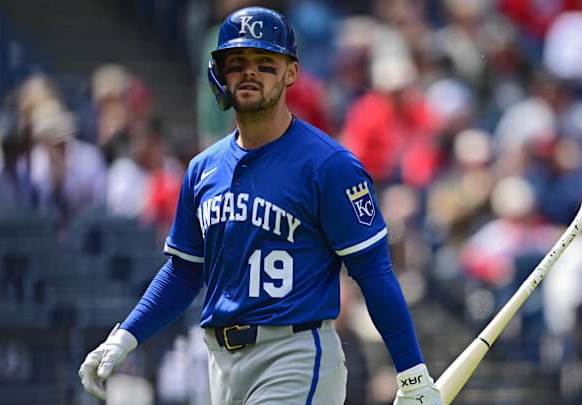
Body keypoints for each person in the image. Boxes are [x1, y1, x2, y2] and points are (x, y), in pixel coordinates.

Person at [79, 6, 443, 405]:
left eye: (265, 62)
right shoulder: (203, 169)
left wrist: (411, 374)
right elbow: (184, 271)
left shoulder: (327, 165)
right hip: (220, 364)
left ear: (291, 72)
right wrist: (125, 335)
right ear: (220, 72)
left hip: (295, 356)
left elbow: (373, 272)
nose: (249, 72)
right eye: (236, 62)